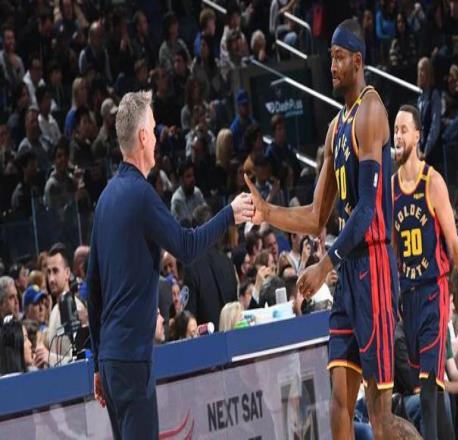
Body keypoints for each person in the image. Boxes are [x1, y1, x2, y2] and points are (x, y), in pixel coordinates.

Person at [246, 18, 419, 439]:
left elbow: (366, 212)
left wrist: (324, 265)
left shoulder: (372, 112)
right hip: (348, 274)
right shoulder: (335, 127)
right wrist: (268, 212)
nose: (332, 66)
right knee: (339, 400)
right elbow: (315, 216)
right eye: (331, 58)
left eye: (339, 58)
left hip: (374, 268)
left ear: (358, 61)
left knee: (380, 418)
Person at [86, 90, 253, 440]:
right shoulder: (141, 195)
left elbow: (94, 288)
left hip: (112, 361)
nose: (157, 137)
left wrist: (99, 363)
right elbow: (187, 247)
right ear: (143, 137)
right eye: (153, 129)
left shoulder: (105, 200)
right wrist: (229, 214)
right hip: (132, 357)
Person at [392, 104, 458, 439]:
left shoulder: (432, 181)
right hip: (409, 299)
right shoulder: (390, 188)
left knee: (429, 387)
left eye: (404, 130)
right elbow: (394, 250)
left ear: (418, 135)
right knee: (434, 388)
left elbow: (454, 243)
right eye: (395, 130)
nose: (398, 136)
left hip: (434, 292)